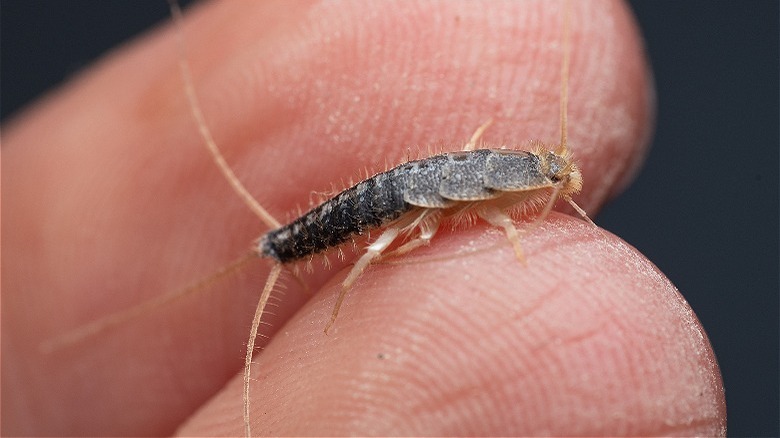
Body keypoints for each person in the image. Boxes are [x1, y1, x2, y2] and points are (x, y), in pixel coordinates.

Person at [3, 1, 725, 435]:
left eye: (546, 171)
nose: (550, 175)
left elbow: (482, 181)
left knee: (380, 241)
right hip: (394, 199)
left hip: (411, 190)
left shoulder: (500, 175)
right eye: (544, 169)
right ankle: (287, 253)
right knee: (366, 253)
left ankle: (286, 254)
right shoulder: (495, 196)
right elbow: (488, 204)